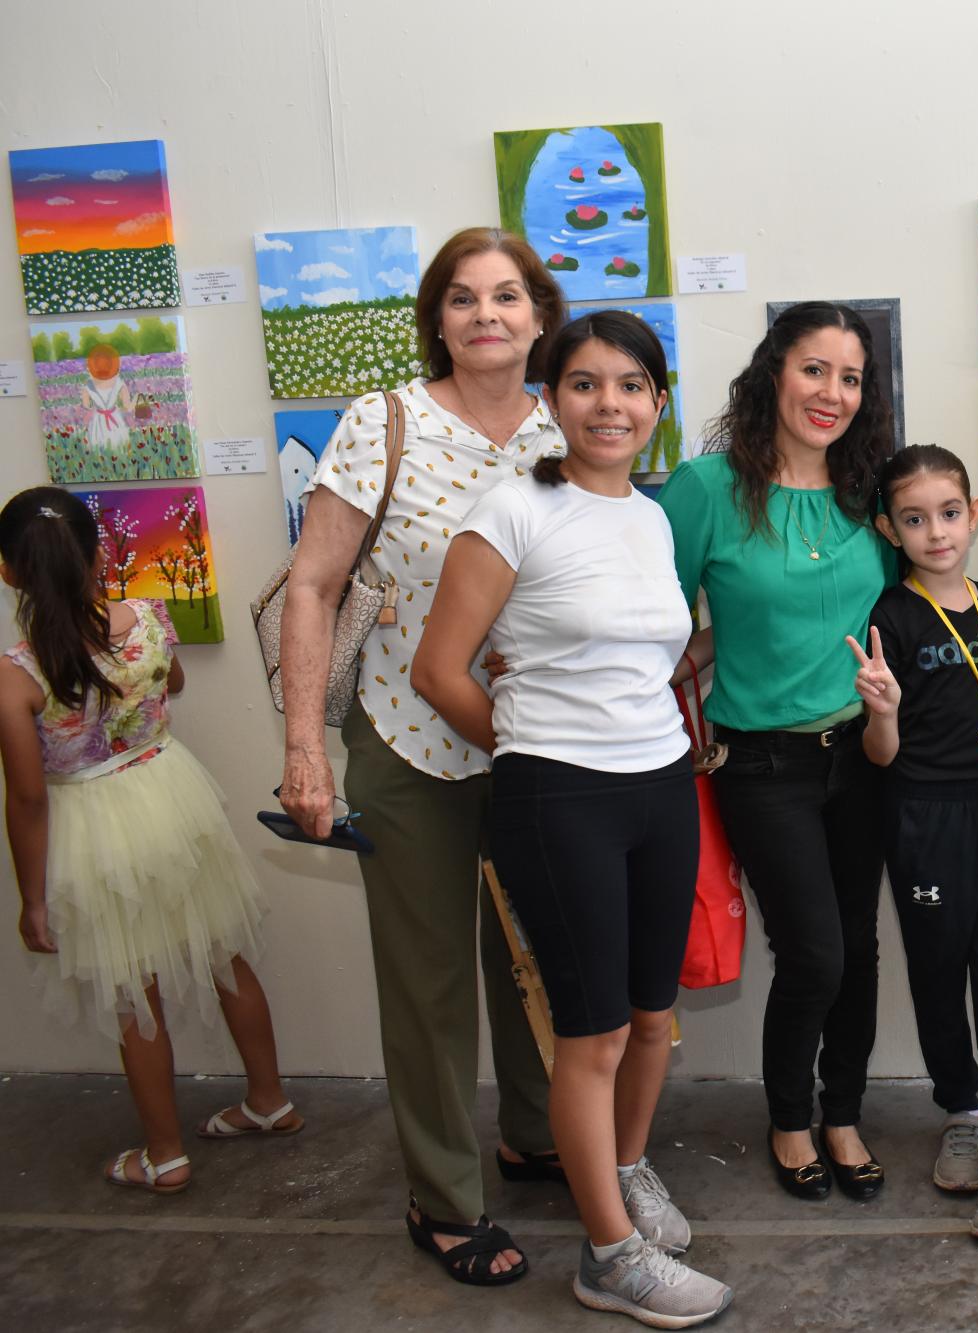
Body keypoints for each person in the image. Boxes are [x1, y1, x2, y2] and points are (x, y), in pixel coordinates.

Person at [414, 311, 731, 1327]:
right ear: (551, 398)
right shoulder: (511, 510)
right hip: (560, 796)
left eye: (631, 384)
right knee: (588, 1037)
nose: (610, 404)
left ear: (657, 402)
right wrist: (524, 748)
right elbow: (438, 669)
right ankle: (608, 1255)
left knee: (649, 1021)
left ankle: (626, 1172)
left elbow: (651, 656)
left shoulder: (649, 516)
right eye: (586, 384)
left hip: (659, 783)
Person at [276, 226, 567, 1285]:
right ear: (436, 319)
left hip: (540, 745)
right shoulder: (382, 421)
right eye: (461, 298)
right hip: (406, 738)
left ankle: (538, 1136)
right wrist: (304, 749)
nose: (485, 314)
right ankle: (443, 1199)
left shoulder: (570, 420)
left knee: (541, 950)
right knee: (432, 977)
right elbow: (312, 585)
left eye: (505, 295)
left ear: (539, 314)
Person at [657, 302, 897, 1203]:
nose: (831, 393)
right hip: (761, 764)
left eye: (850, 377)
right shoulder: (705, 488)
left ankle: (844, 1116)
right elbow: (659, 620)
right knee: (815, 954)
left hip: (865, 754)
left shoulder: (867, 491)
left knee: (858, 950)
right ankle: (789, 1120)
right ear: (773, 374)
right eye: (813, 369)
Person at [0, 488, 302, 1195]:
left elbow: (27, 797)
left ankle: (164, 1154)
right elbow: (174, 678)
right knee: (225, 951)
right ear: (98, 552)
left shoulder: (17, 674)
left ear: (10, 572)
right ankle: (269, 1100)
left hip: (96, 824)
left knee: (136, 990)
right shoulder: (149, 620)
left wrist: (32, 899)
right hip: (171, 794)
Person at [848, 445, 978, 1240]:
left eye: (949, 512)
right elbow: (879, 757)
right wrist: (883, 712)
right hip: (923, 820)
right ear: (888, 528)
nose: (936, 531)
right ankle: (961, 1110)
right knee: (937, 973)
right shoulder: (887, 617)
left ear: (973, 512)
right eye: (914, 518)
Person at [81, 344, 135, 450]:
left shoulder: (88, 385)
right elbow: (127, 407)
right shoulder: (119, 384)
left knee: (98, 449)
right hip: (115, 418)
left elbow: (86, 405)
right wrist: (137, 399)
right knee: (119, 448)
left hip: (97, 421)